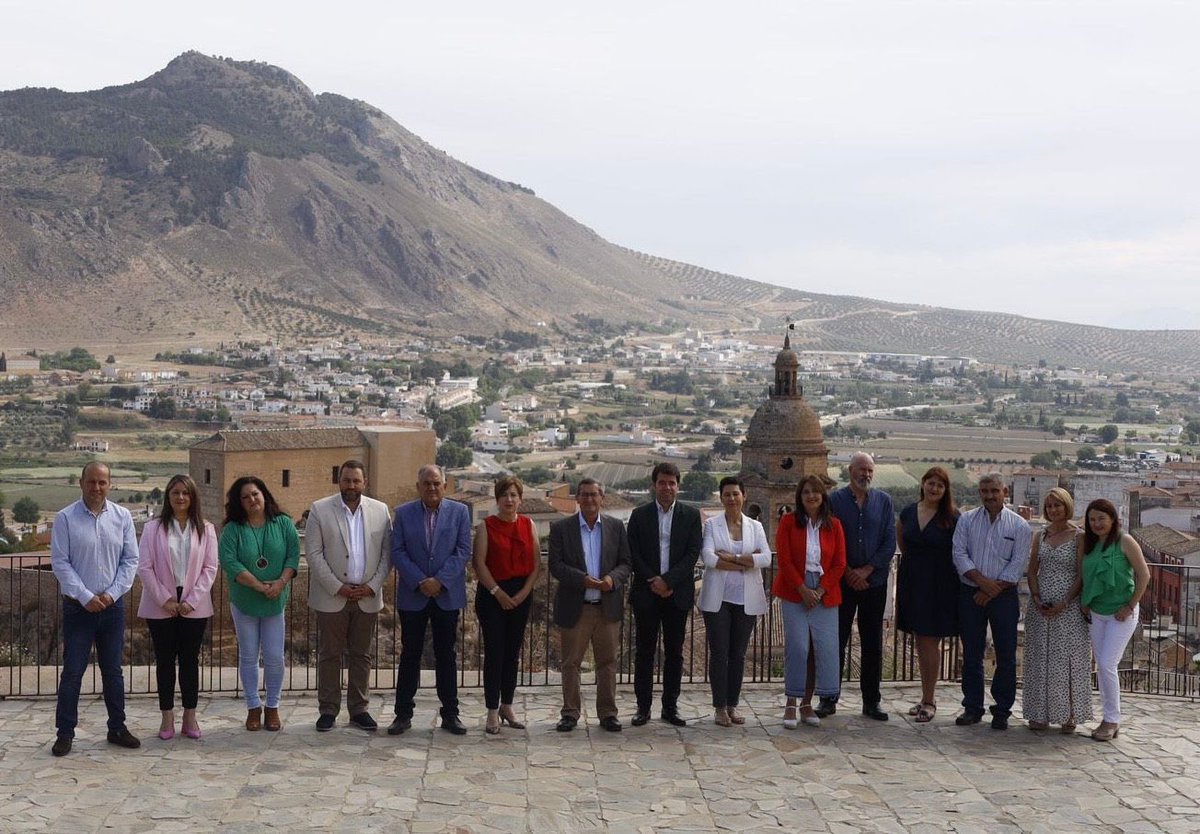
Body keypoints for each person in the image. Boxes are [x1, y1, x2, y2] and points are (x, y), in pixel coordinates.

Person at [49, 462, 142, 756]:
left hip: (112, 609)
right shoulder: (65, 518)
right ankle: (65, 733)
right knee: (73, 672)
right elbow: (60, 563)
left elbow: (130, 560)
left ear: (110, 485)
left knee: (113, 671)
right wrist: (86, 596)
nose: (97, 487)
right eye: (92, 482)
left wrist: (112, 594)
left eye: (102, 482)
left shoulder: (123, 517)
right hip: (78, 609)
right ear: (81, 483)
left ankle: (117, 727)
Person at [306, 460, 393, 733]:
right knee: (329, 654)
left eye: (356, 481)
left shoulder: (380, 511)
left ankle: (359, 709)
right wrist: (338, 587)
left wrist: (373, 586)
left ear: (364, 482)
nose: (351, 486)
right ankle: (328, 710)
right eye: (346, 480)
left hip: (367, 595)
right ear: (339, 481)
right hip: (333, 596)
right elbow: (314, 554)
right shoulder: (320, 510)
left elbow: (387, 554)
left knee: (361, 655)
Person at [388, 464, 472, 736]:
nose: (432, 488)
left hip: (446, 595)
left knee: (446, 655)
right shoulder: (402, 514)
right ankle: (402, 715)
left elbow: (463, 550)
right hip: (414, 595)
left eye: (436, 483)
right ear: (418, 486)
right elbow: (397, 551)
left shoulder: (460, 512)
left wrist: (440, 581)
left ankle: (451, 713)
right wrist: (421, 581)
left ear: (445, 486)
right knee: (409, 654)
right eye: (427, 483)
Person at [137, 474, 219, 740]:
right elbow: (145, 568)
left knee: (189, 661)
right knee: (164, 661)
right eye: (175, 493)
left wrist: (191, 601)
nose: (181, 497)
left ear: (192, 497)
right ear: (168, 497)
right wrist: (165, 600)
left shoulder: (205, 529)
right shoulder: (152, 529)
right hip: (161, 605)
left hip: (194, 605)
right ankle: (166, 717)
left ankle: (190, 716)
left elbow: (210, 568)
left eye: (185, 493)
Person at [218, 475, 300, 732]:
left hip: (275, 600)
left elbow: (293, 555)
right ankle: (253, 706)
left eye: (255, 494)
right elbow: (230, 562)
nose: (252, 500)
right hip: (245, 601)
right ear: (239, 503)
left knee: (275, 657)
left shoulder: (283, 524)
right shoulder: (233, 530)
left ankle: (273, 706)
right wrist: (257, 585)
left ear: (264, 495)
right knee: (249, 655)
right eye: (245, 497)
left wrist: (280, 583)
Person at [549, 478, 632, 732]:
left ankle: (608, 713)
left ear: (602, 498)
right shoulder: (562, 528)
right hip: (578, 605)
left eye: (593, 495)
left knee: (607, 663)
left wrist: (611, 579)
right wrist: (581, 580)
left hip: (607, 607)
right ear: (577, 498)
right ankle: (570, 713)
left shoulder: (616, 527)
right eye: (584, 495)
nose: (589, 499)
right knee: (570, 663)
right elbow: (556, 565)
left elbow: (626, 563)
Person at [951, 472, 1032, 730]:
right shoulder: (966, 520)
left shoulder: (1020, 526)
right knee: (972, 652)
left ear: (1004, 492)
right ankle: (972, 707)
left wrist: (990, 589)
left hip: (1003, 596)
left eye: (994, 491)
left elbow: (1018, 563)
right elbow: (959, 554)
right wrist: (982, 583)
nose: (989, 496)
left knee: (1006, 654)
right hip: (971, 593)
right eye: (984, 491)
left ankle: (1002, 710)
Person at [627, 462, 703, 727]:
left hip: (677, 593)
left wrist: (668, 581)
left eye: (672, 483)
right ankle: (643, 708)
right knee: (644, 652)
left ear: (678, 486)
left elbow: (692, 553)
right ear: (654, 485)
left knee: (674, 653)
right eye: (662, 482)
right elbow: (633, 553)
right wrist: (654, 580)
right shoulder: (639, 515)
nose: (667, 487)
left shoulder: (691, 516)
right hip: (647, 593)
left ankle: (670, 707)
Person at [824, 452, 895, 720]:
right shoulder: (835, 501)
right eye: (861, 469)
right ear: (850, 470)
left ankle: (871, 701)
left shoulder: (884, 502)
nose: (865, 474)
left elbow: (889, 541)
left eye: (869, 470)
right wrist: (849, 571)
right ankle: (829, 697)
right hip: (842, 583)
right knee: (836, 641)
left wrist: (867, 570)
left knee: (872, 643)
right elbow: (829, 540)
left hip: (874, 583)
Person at [773, 475, 846, 729]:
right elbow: (784, 560)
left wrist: (821, 590)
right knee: (798, 648)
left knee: (820, 649)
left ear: (823, 496)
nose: (811, 496)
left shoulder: (834, 525)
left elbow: (839, 563)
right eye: (806, 492)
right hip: (796, 589)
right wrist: (803, 588)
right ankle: (791, 704)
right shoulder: (788, 522)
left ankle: (807, 704)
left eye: (816, 491)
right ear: (799, 497)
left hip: (825, 593)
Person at [699, 476, 771, 726]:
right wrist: (746, 561)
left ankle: (732, 705)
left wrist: (733, 557)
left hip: (746, 599)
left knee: (738, 654)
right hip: (718, 599)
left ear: (744, 496)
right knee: (720, 653)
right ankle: (719, 707)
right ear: (721, 498)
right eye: (727, 494)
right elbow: (708, 557)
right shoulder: (712, 525)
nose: (731, 498)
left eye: (735, 494)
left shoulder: (756, 527)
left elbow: (766, 559)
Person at [472, 476, 540, 734]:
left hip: (520, 594)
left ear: (520, 498)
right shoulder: (486, 526)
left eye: (514, 495)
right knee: (495, 653)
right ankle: (491, 710)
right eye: (504, 495)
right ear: (497, 499)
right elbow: (479, 563)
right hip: (492, 595)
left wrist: (524, 593)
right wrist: (497, 592)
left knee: (512, 654)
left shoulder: (528, 524)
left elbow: (536, 564)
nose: (509, 500)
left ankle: (507, 705)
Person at [1022, 488, 1091, 733]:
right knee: (1040, 659)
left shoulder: (1079, 536)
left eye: (1057, 505)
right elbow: (1032, 571)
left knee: (1067, 660)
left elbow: (1082, 575)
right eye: (1049, 506)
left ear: (1067, 506)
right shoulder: (1040, 535)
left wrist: (1064, 602)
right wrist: (1037, 598)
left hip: (1069, 606)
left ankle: (1068, 714)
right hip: (1041, 606)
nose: (1053, 510)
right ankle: (1039, 713)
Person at [1080, 498, 1150, 741]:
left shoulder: (1125, 541)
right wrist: (1086, 602)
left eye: (1101, 518)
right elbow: (1085, 577)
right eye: (1092, 519)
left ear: (1112, 519)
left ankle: (1112, 720)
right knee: (1102, 665)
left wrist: (1130, 605)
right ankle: (1109, 718)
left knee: (1108, 664)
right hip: (1096, 613)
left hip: (1122, 613)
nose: (1097, 523)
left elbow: (1144, 575)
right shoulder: (1088, 544)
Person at [895, 466, 960, 724]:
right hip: (913, 580)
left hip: (939, 584)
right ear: (922, 484)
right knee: (921, 641)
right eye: (931, 483)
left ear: (945, 491)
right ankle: (924, 697)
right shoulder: (909, 512)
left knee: (930, 641)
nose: (934, 488)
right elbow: (902, 539)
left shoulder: (952, 518)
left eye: (940, 485)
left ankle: (930, 700)